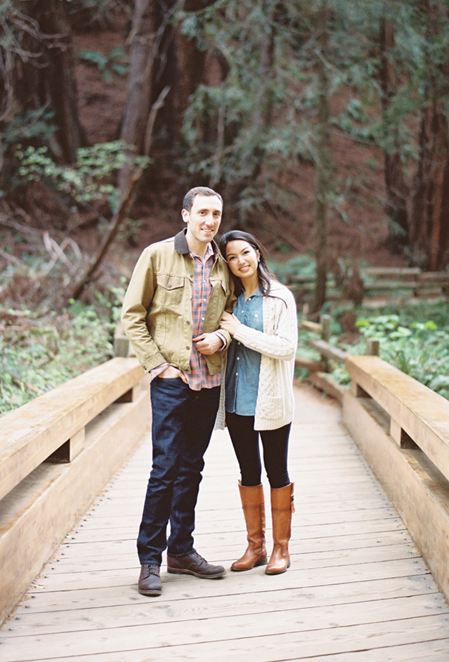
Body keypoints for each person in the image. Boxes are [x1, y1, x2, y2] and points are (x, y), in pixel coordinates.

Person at [121, 186, 235, 597]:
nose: (210, 221)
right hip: (172, 382)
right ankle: (149, 560)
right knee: (164, 468)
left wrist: (221, 340)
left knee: (192, 467)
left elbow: (230, 319)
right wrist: (158, 367)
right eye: (202, 212)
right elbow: (133, 316)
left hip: (209, 381)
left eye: (216, 214)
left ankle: (181, 551)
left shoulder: (224, 265)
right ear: (185, 215)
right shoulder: (156, 255)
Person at [214, 229, 299, 575]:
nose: (240, 262)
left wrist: (238, 331)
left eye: (245, 253)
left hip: (272, 401)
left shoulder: (280, 298)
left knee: (277, 472)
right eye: (231, 257)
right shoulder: (229, 300)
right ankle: (255, 546)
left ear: (258, 254)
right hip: (237, 402)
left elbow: (286, 347)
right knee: (248, 472)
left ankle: (282, 548)